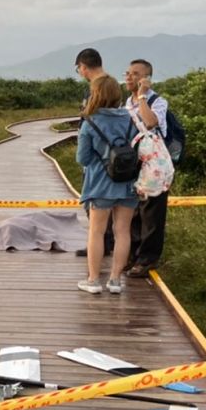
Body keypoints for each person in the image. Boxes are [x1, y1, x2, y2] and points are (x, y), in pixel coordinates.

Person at [75, 70, 138, 295]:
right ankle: (115, 280)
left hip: (100, 184)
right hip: (128, 183)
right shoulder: (131, 118)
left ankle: (93, 280)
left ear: (95, 94)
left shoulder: (90, 122)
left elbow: (82, 158)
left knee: (97, 231)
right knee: (123, 231)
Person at [123, 58, 171, 277]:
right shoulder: (126, 102)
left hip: (154, 166)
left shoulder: (157, 102)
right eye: (127, 73)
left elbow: (151, 122)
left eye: (135, 74)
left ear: (146, 79)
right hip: (134, 163)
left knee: (152, 213)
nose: (129, 77)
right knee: (133, 212)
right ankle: (133, 255)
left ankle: (147, 259)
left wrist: (142, 96)